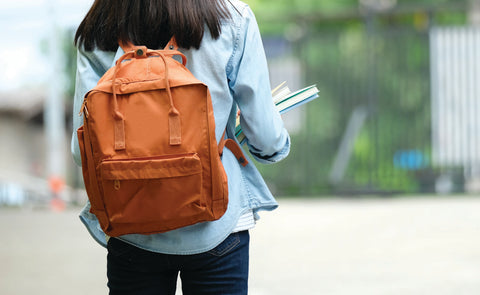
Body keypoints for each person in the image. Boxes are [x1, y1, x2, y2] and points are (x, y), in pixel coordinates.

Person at [71, 0, 290, 294]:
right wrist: (271, 148)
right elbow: (266, 137)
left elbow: (81, 149)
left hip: (130, 226)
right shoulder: (231, 18)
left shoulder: (100, 24)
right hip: (218, 225)